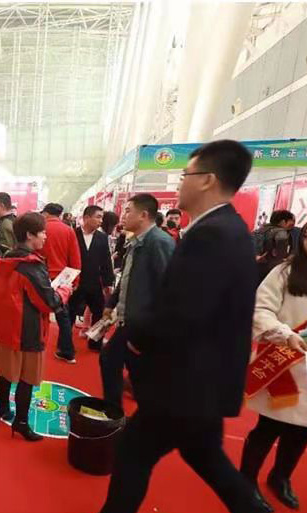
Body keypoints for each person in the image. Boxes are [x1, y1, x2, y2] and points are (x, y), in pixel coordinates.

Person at [100, 140, 270, 513]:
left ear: (207, 179)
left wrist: (135, 333)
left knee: (133, 453)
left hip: (186, 383)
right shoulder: (228, 229)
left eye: (184, 174)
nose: (179, 183)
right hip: (203, 384)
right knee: (206, 457)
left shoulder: (213, 234)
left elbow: (185, 311)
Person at [240, 224, 307, 512]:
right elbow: (260, 309)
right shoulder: (284, 272)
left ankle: (280, 477)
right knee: (268, 428)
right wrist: (284, 334)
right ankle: (246, 480)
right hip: (284, 364)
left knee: (301, 433)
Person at [0, 212, 70, 442]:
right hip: (27, 328)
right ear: (29, 235)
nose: (45, 236)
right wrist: (64, 290)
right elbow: (48, 302)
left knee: (5, 372)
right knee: (27, 377)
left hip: (7, 326)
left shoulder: (7, 258)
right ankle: (22, 422)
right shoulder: (31, 266)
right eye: (42, 232)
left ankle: (3, 408)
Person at [99, 194, 174, 409]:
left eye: (128, 210)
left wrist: (152, 329)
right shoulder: (136, 241)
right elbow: (127, 277)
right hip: (130, 320)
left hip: (144, 325)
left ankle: (127, 415)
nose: (123, 215)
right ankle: (114, 412)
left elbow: (168, 289)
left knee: (139, 375)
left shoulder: (159, 243)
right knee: (110, 360)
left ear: (143, 215)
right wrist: (111, 303)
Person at [69, 205, 115, 351]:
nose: (101, 221)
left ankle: (96, 343)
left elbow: (106, 261)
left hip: (94, 282)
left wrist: (108, 283)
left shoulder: (102, 237)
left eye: (102, 217)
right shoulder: (72, 234)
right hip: (75, 282)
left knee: (100, 313)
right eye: (98, 217)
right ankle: (65, 344)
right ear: (86, 218)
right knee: (69, 314)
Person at [40, 202, 81, 364]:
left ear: (46, 213)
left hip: (41, 275)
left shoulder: (40, 229)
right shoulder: (68, 230)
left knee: (35, 313)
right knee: (63, 316)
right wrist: (75, 280)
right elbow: (75, 257)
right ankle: (67, 351)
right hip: (62, 278)